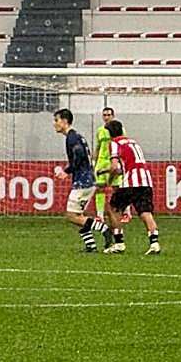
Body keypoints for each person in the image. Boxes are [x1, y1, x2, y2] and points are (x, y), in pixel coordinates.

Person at [52, 109, 112, 252]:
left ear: (65, 121)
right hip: (87, 179)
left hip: (83, 181)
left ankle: (104, 229)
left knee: (72, 216)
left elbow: (78, 155)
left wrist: (65, 171)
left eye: (56, 120)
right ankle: (90, 246)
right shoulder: (76, 136)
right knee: (78, 215)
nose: (55, 124)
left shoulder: (72, 138)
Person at [101, 120, 161, 255]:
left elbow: (115, 167)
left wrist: (109, 180)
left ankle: (119, 243)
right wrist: (105, 171)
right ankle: (154, 243)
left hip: (130, 182)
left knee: (113, 208)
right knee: (145, 212)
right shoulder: (133, 142)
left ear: (110, 133)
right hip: (145, 180)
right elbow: (128, 164)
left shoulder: (114, 143)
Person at [94, 107, 127, 222]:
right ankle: (100, 215)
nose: (106, 117)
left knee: (117, 188)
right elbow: (98, 147)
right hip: (102, 161)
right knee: (99, 188)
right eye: (104, 115)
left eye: (108, 115)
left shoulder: (119, 129)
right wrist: (95, 161)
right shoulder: (100, 130)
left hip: (114, 160)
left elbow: (123, 144)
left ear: (113, 116)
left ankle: (124, 212)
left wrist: (121, 161)